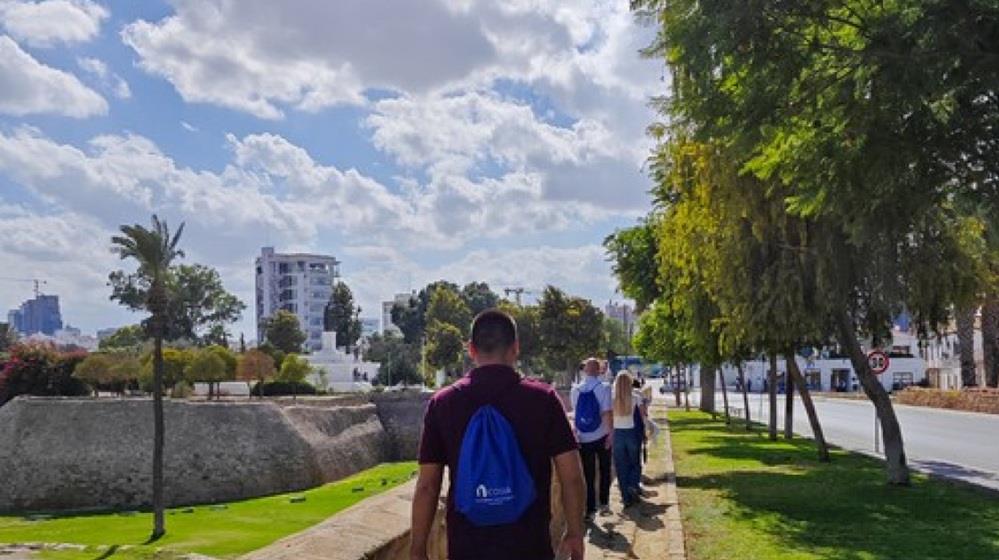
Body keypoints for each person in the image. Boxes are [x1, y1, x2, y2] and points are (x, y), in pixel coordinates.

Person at [410, 309, 586, 560]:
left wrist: (418, 549)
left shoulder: (443, 403)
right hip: (529, 545)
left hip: (467, 548)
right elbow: (572, 477)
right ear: (515, 348)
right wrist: (575, 531)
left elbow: (428, 486)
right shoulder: (543, 399)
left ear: (471, 349)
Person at [570, 358, 613, 520]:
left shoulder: (575, 389)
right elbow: (607, 413)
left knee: (588, 474)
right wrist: (610, 434)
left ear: (585, 370)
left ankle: (590, 509)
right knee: (604, 470)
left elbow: (576, 413)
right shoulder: (605, 387)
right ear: (599, 369)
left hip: (583, 437)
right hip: (601, 435)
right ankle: (604, 503)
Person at [612, 371, 644, 507]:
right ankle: (632, 484)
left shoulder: (612, 398)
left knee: (621, 466)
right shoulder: (636, 397)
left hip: (617, 433)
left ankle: (625, 497)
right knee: (635, 462)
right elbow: (642, 415)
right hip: (631, 432)